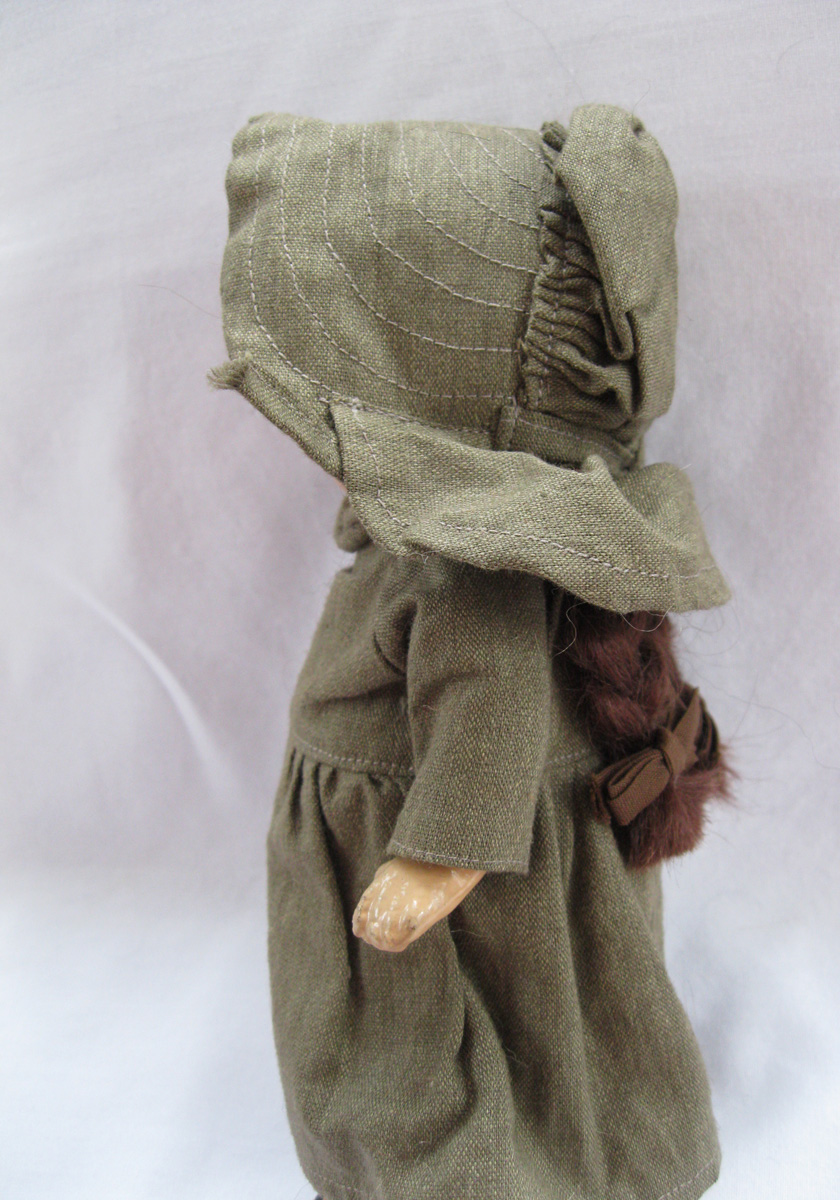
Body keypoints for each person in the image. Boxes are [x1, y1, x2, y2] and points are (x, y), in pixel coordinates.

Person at [211, 102, 732, 1200]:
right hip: (490, 843)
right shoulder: (474, 554)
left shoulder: (466, 575)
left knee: (433, 1054)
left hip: (448, 862)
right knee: (561, 1016)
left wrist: (437, 861)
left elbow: (487, 704)